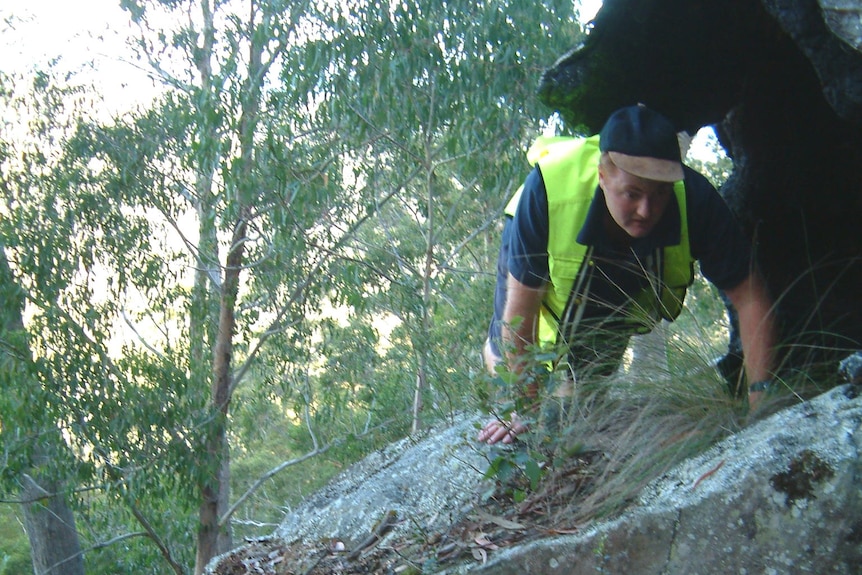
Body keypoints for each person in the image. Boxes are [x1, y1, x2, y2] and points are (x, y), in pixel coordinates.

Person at [478, 105, 777, 445]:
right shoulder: (547, 190)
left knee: (580, 405)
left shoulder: (696, 199)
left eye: (659, 194)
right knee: (519, 389)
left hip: (619, 280)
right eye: (632, 194)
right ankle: (498, 364)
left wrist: (761, 401)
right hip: (539, 261)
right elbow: (520, 314)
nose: (646, 210)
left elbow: (750, 297)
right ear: (603, 176)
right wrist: (524, 411)